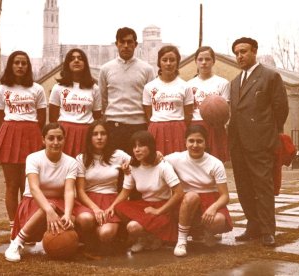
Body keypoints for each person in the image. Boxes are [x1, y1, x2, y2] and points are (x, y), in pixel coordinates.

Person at [228, 37, 289, 246]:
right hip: (238, 144)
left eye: (243, 51)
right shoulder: (235, 82)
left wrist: (268, 136)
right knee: (244, 187)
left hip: (261, 143)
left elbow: (281, 109)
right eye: (236, 53)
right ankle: (252, 226)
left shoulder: (270, 76)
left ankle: (267, 230)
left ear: (254, 51)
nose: (239, 56)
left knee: (263, 187)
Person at [0, 50, 47, 234]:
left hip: (31, 134)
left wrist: (33, 134)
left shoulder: (37, 89)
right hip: (10, 134)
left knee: (28, 185)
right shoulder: (2, 89)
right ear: (11, 65)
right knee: (11, 184)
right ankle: (13, 226)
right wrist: (12, 131)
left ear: (28, 67)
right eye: (16, 63)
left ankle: (26, 226)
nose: (20, 66)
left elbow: (42, 117)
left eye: (24, 63)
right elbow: (1, 115)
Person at [4, 123, 78, 262]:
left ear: (64, 139)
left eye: (59, 138)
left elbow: (69, 191)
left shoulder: (71, 162)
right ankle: (16, 243)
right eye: (51, 138)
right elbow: (34, 188)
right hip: (33, 201)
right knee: (50, 206)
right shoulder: (33, 158)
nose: (56, 142)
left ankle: (66, 245)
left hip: (58, 202)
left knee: (73, 220)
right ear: (43, 140)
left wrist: (67, 215)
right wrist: (49, 210)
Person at [107, 130, 184, 253]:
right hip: (144, 206)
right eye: (134, 146)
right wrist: (111, 206)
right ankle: (146, 238)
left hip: (163, 208)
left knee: (132, 227)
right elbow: (125, 192)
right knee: (119, 206)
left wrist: (159, 211)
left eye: (141, 145)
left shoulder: (163, 166)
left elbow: (179, 193)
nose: (136, 149)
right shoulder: (132, 167)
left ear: (151, 146)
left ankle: (152, 237)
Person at [165, 125, 233, 257]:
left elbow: (225, 196)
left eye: (199, 141)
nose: (195, 145)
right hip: (187, 202)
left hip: (210, 201)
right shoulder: (175, 158)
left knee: (218, 220)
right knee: (191, 196)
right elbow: (156, 160)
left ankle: (205, 233)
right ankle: (182, 240)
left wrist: (213, 208)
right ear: (185, 142)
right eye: (191, 141)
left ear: (206, 143)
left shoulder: (215, 163)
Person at [74, 120, 131, 254]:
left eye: (103, 134)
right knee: (85, 219)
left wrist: (157, 155)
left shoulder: (119, 155)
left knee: (106, 234)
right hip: (88, 200)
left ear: (108, 136)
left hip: (111, 200)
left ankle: (99, 239)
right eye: (95, 134)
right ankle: (87, 240)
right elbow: (80, 191)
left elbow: (141, 160)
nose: (99, 137)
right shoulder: (82, 158)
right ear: (90, 138)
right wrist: (95, 209)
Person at [99, 27, 155, 154]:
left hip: (139, 126)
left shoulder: (147, 69)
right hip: (114, 126)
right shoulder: (106, 69)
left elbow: (151, 99)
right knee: (115, 166)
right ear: (116, 44)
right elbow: (103, 98)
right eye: (122, 42)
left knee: (138, 164)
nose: (126, 46)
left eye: (130, 42)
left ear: (135, 45)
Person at [49, 48, 101, 157]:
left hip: (86, 132)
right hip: (65, 132)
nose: (76, 61)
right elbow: (52, 118)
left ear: (85, 64)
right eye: (72, 59)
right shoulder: (58, 88)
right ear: (67, 64)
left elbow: (97, 116)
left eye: (80, 58)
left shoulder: (94, 88)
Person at [143, 45, 194, 155]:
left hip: (178, 129)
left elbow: (188, 114)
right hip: (156, 128)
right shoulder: (149, 87)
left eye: (172, 60)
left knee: (179, 164)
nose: (168, 63)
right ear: (159, 62)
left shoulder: (185, 86)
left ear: (177, 62)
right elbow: (148, 114)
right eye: (164, 60)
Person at [187, 46, 230, 162]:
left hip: (215, 125)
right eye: (200, 59)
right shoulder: (188, 85)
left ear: (213, 61)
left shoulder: (223, 83)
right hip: (196, 125)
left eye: (208, 59)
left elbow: (225, 110)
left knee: (215, 162)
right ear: (195, 62)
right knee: (196, 162)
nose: (204, 63)